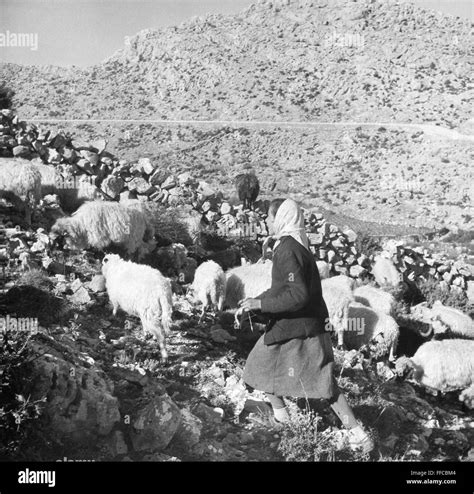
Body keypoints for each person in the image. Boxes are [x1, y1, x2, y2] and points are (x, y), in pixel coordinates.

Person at [239, 198, 374, 454]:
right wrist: (257, 300)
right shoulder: (294, 246)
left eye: (269, 217)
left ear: (280, 217)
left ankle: (355, 434)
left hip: (298, 328)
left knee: (310, 379)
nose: (266, 221)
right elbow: (284, 289)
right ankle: (287, 419)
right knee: (308, 378)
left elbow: (297, 295)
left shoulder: (288, 249)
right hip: (304, 325)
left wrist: (261, 306)